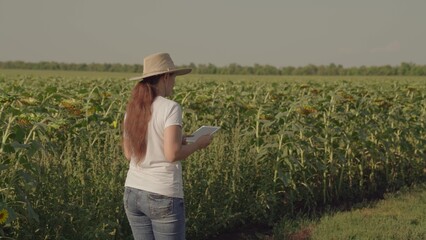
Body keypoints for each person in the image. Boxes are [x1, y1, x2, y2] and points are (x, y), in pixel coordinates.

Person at [122, 52, 213, 240]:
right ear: (165, 77)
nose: (174, 83)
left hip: (133, 191)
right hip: (162, 194)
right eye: (173, 77)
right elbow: (172, 154)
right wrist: (198, 144)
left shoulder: (133, 108)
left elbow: (129, 153)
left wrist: (178, 139)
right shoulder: (170, 107)